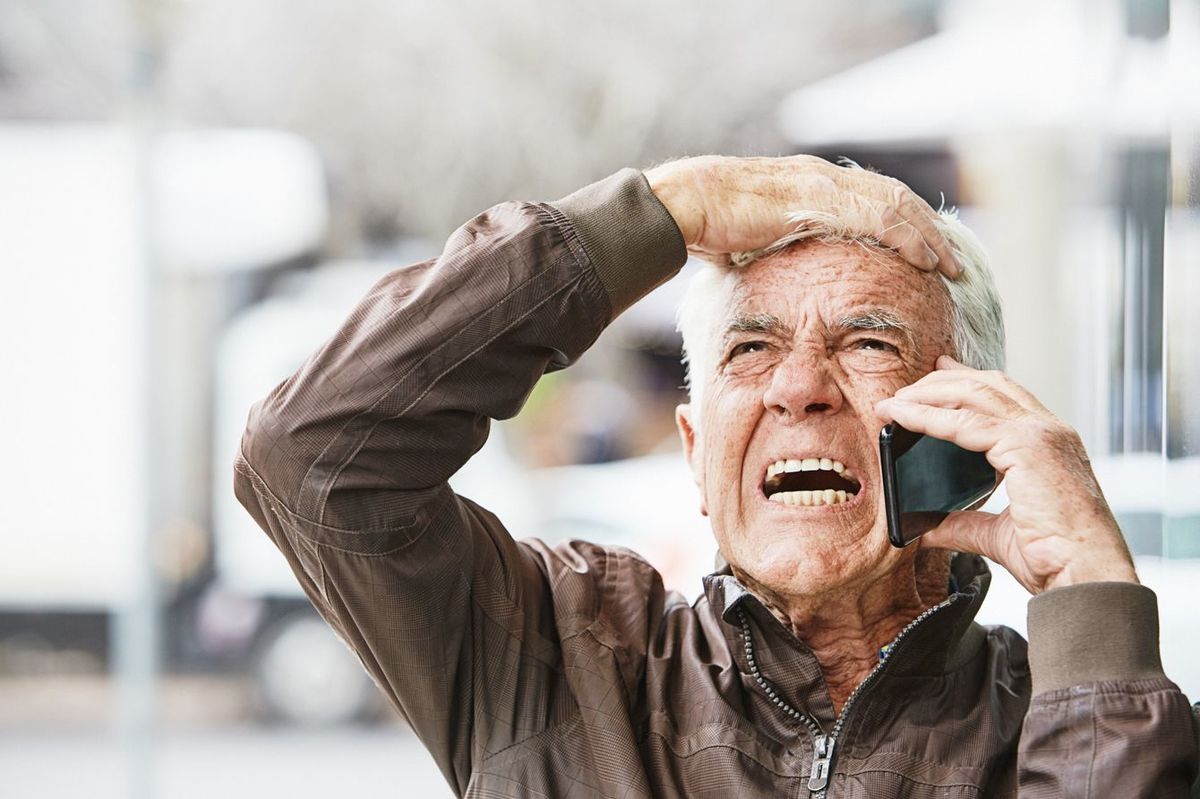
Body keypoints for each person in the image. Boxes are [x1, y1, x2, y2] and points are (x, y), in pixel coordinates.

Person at [233, 155, 1199, 797]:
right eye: (750, 348)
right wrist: (667, 208)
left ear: (970, 438)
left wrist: (1095, 611)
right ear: (697, 451)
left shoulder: (1081, 718)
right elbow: (313, 454)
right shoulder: (555, 657)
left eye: (866, 341)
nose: (797, 387)